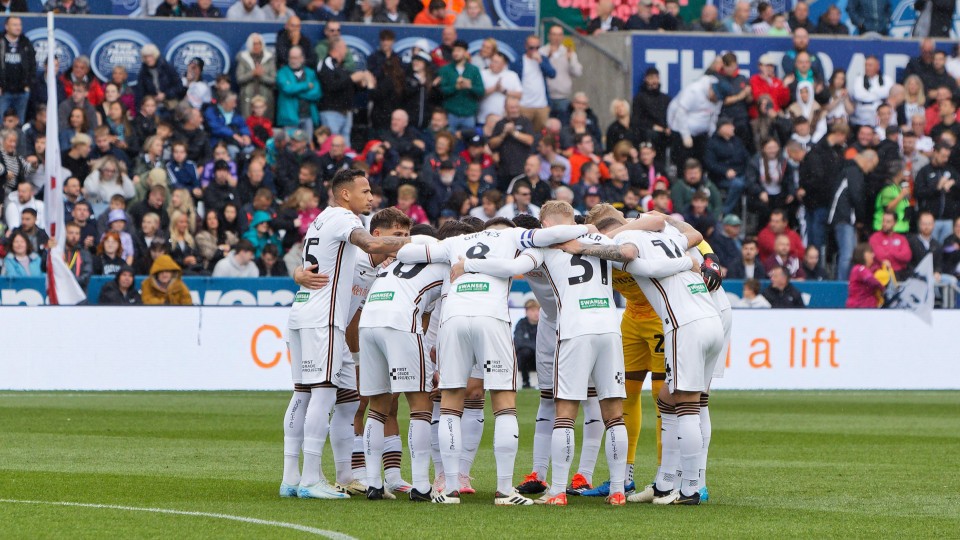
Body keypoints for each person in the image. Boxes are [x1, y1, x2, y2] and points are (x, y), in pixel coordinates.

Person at [396, 209, 590, 505]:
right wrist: (585, 227)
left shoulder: (456, 241)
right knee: (503, 403)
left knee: (449, 404)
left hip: (453, 318)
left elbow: (409, 253)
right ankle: (503, 490)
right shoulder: (513, 235)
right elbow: (555, 235)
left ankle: (448, 489)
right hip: (492, 317)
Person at [281, 169, 413, 500]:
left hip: (309, 314)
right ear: (345, 195)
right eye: (365, 191)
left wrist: (298, 273)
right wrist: (415, 241)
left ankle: (331, 475)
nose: (371, 197)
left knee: (345, 398)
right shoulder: (343, 218)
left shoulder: (320, 221)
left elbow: (309, 264)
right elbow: (369, 242)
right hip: (322, 319)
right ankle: (310, 479)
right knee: (321, 394)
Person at [355, 211, 446, 501]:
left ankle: (373, 482)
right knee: (420, 404)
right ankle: (421, 485)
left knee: (377, 406)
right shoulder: (446, 259)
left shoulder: (394, 258)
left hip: (369, 321)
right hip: (400, 320)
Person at [318, 39, 374, 140]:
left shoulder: (342, 66)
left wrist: (361, 85)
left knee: (345, 146)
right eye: (344, 48)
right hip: (331, 112)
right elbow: (330, 85)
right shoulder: (326, 63)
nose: (346, 51)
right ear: (337, 49)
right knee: (332, 143)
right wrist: (352, 78)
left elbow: (347, 86)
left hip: (346, 112)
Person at [915, 142, 960, 242]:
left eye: (947, 156)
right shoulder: (924, 171)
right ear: (935, 152)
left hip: (948, 220)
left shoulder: (950, 170)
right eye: (943, 156)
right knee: (930, 249)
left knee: (945, 250)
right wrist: (937, 188)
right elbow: (919, 192)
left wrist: (953, 182)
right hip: (930, 220)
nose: (946, 159)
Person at [703, 118, 749, 216]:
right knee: (738, 184)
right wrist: (725, 171)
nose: (733, 128)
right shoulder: (712, 143)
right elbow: (710, 164)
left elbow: (746, 157)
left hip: (742, 173)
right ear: (722, 128)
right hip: (722, 178)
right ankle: (723, 212)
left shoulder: (737, 141)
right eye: (729, 126)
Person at [438, 40, 484, 134]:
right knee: (449, 141)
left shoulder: (474, 70)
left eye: (459, 50)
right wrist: (455, 87)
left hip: (468, 114)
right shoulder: (445, 70)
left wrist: (470, 86)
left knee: (468, 142)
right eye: (454, 51)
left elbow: (481, 91)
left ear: (465, 53)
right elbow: (441, 91)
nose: (455, 53)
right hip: (450, 113)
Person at [489, 96, 535, 190]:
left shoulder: (525, 122)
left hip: (521, 168)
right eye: (511, 107)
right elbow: (492, 144)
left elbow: (530, 140)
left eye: (516, 107)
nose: (514, 110)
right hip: (504, 169)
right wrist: (503, 134)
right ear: (505, 108)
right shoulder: (500, 124)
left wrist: (514, 133)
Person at [539, 26, 581, 120]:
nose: (556, 38)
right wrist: (547, 57)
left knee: (563, 126)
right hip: (545, 97)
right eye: (554, 34)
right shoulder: (542, 52)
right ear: (549, 36)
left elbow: (578, 73)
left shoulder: (569, 52)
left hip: (563, 97)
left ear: (562, 37)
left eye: (559, 35)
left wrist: (570, 60)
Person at [0, 17, 35, 123]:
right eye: (14, 25)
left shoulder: (25, 43)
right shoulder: (1, 42)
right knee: (1, 122)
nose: (18, 27)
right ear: (7, 27)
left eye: (19, 25)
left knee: (20, 122)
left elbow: (32, 65)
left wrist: (28, 85)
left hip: (21, 91)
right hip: (3, 91)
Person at [236, 33, 276, 119]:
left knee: (265, 124)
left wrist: (261, 76)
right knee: (248, 124)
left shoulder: (269, 58)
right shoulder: (243, 58)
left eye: (259, 43)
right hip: (248, 96)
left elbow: (273, 80)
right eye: (254, 44)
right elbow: (239, 79)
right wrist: (252, 73)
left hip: (265, 96)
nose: (257, 46)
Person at [869, 211, 913, 276]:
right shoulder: (875, 237)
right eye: (883, 221)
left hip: (900, 273)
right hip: (882, 273)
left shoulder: (901, 238)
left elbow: (907, 256)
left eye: (888, 222)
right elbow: (880, 256)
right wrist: (898, 254)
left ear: (895, 223)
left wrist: (890, 252)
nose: (884, 224)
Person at [846, 243, 890, 307]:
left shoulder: (866, 269)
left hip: (867, 306)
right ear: (862, 254)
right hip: (859, 306)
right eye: (870, 252)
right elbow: (871, 279)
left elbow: (874, 270)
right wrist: (884, 289)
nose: (873, 255)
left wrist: (883, 265)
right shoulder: (859, 269)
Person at [513, 298, 539, 389]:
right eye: (533, 310)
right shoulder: (521, 324)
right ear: (526, 312)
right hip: (529, 358)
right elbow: (519, 342)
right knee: (524, 352)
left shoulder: (544, 324)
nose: (536, 313)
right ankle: (525, 382)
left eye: (538, 310)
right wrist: (535, 348)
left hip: (541, 358)